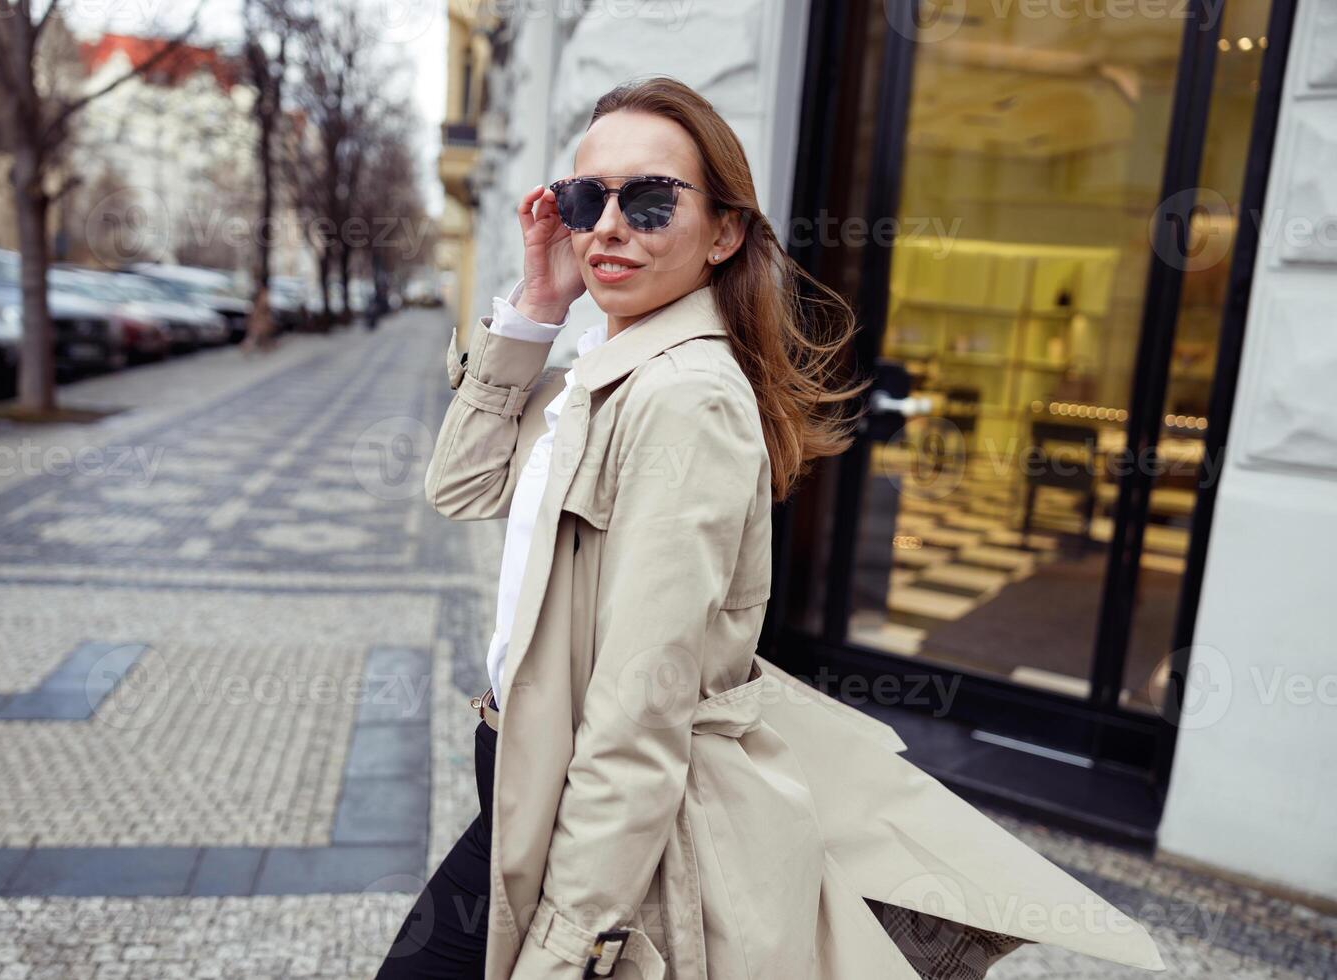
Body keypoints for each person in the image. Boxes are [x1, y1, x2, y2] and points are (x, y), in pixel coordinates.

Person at [373, 76, 1165, 979]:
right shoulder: (596, 370)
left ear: (724, 232)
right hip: (517, 762)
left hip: (579, 796)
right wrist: (537, 307)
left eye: (651, 199)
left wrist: (570, 947)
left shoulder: (685, 398)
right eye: (590, 197)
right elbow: (463, 484)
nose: (609, 226)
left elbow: (640, 708)